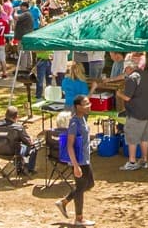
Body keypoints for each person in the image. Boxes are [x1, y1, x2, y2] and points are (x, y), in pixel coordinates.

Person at [55, 94, 95, 227]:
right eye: (86, 104)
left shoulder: (82, 118)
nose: (89, 105)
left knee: (89, 185)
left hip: (85, 159)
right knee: (80, 188)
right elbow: (70, 145)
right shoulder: (74, 122)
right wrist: (75, 166)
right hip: (79, 161)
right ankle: (79, 218)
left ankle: (64, 202)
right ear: (78, 107)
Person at [118, 51, 148, 170]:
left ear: (129, 68)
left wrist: (119, 94)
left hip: (136, 114)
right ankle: (144, 160)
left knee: (132, 139)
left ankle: (132, 162)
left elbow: (127, 97)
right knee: (145, 138)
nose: (125, 72)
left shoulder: (132, 78)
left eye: (125, 70)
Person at [0, 106, 38, 174]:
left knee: (16, 146)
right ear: (16, 116)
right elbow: (29, 143)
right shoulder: (18, 128)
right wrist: (31, 139)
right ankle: (29, 169)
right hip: (12, 154)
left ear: (5, 115)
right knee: (33, 147)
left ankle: (20, 167)